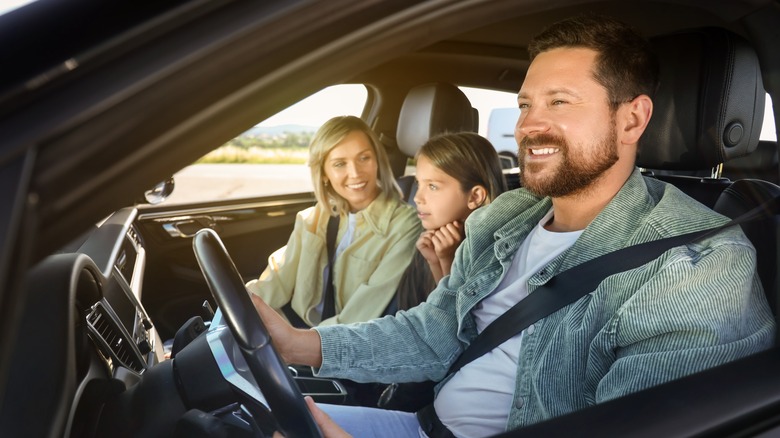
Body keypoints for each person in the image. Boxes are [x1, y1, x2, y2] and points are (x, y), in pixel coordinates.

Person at [254, 15, 776, 438]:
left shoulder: (698, 268)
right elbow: (435, 331)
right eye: (525, 104)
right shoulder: (505, 216)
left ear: (632, 120)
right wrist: (301, 345)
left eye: (559, 102)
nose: (528, 124)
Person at [245, 115, 421, 327]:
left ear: (377, 160)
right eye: (339, 164)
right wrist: (240, 306)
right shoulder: (315, 216)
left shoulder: (405, 225)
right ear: (324, 173)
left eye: (364, 158)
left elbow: (361, 317)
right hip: (295, 326)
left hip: (333, 344)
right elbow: (276, 281)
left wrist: (300, 343)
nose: (355, 173)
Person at [396, 131, 507, 311]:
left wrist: (447, 261)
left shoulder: (495, 255)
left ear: (475, 196)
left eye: (432, 186)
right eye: (418, 184)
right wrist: (435, 261)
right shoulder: (431, 241)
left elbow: (457, 322)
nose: (417, 197)